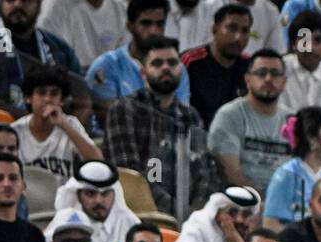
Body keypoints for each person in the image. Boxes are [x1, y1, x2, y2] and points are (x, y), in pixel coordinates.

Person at [105, 37, 215, 212]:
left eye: (172, 63)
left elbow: (204, 172)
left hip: (189, 215)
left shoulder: (190, 116)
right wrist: (173, 211)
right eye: (157, 63)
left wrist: (195, 213)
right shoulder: (125, 108)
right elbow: (129, 172)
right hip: (141, 212)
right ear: (143, 72)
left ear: (180, 69)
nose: (165, 68)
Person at [0, 0, 82, 110]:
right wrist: (30, 121)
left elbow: (82, 96)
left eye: (26, 0)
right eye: (10, 0)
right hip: (1, 132)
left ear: (39, 3)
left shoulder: (59, 48)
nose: (17, 5)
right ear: (1, 3)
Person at [208, 48, 290, 194]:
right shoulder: (229, 115)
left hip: (284, 204)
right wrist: (265, 204)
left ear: (284, 82)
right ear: (247, 80)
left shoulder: (293, 120)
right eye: (261, 73)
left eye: (275, 74)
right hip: (239, 202)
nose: (268, 79)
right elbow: (230, 174)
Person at [87, 0, 194, 109]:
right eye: (146, 23)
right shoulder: (106, 66)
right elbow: (108, 118)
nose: (154, 31)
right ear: (130, 26)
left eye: (160, 24)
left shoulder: (176, 68)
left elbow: (181, 116)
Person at [10, 65, 104, 183]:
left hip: (63, 199)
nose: (48, 99)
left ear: (61, 100)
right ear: (28, 98)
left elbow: (97, 161)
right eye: (41, 93)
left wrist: (63, 125)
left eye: (54, 94)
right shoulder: (15, 131)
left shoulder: (70, 124)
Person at [182, 2, 252, 127]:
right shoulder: (190, 62)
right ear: (215, 29)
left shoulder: (251, 67)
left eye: (245, 30)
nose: (238, 37)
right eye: (232, 28)